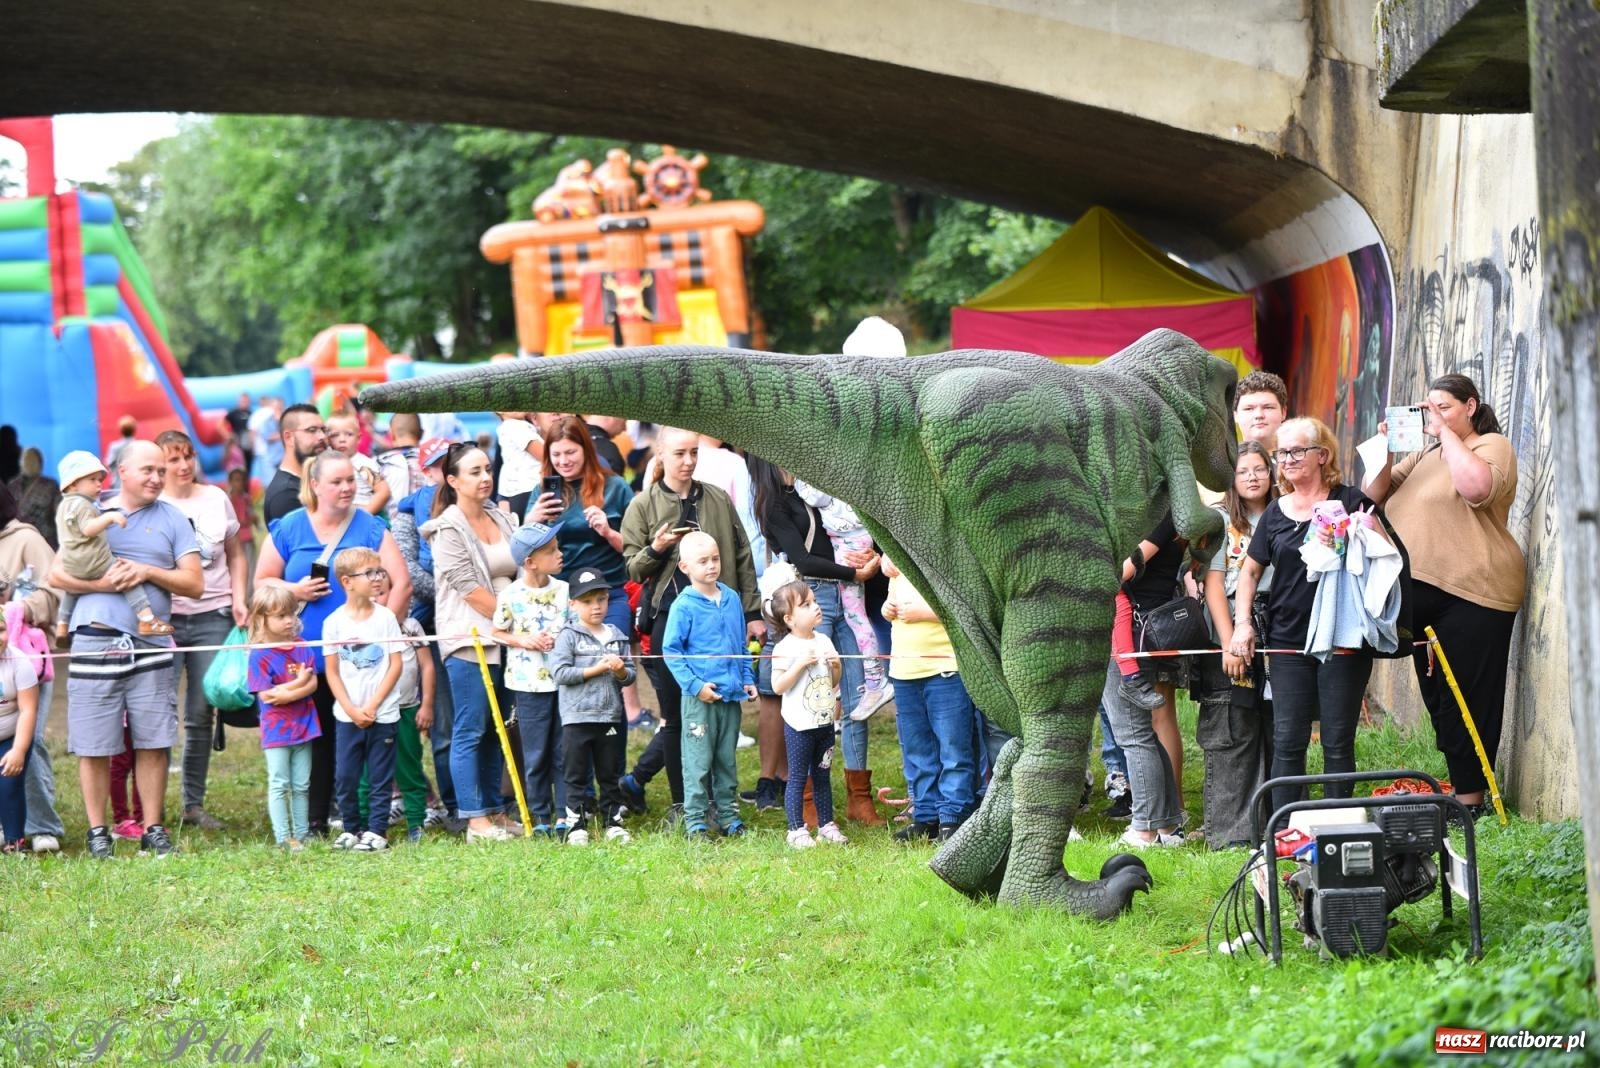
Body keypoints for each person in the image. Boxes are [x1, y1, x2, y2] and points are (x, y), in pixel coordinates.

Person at [1365, 373, 1523, 819]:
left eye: (1444, 407)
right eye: (1427, 409)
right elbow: (1370, 496)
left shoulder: (1490, 446)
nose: (1433, 417)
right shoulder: (1423, 455)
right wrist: (1386, 449)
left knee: (1469, 699)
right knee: (1439, 699)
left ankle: (1473, 802)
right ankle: (1465, 792)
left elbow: (1477, 489)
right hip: (1423, 597)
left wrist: (1448, 434)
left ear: (1470, 407)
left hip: (1475, 591)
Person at [51, 440, 202, 859]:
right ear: (121, 471)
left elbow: (194, 584)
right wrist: (101, 586)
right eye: (147, 470)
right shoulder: (88, 509)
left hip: (152, 642)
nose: (156, 477)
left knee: (153, 739)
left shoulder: (174, 519)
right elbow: (56, 573)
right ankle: (98, 831)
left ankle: (154, 828)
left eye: (161, 470)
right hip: (95, 639)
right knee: (94, 741)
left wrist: (148, 570)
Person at [1230, 417, 1382, 816]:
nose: (1288, 460)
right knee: (1288, 740)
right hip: (1286, 641)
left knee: (1336, 740)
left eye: (1298, 451)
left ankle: (1338, 833)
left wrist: (1359, 530)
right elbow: (1249, 572)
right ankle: (1285, 833)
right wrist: (1242, 623)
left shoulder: (1350, 500)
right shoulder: (1276, 514)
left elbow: (1384, 556)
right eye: (1282, 453)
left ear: (1322, 455)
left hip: (1343, 640)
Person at [254, 449, 410, 838]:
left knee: (362, 738)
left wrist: (382, 629)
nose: (346, 488)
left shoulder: (371, 526)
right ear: (315, 485)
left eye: (350, 480)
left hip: (363, 663)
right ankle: (314, 819)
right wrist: (295, 588)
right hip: (304, 659)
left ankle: (359, 819)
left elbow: (401, 582)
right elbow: (262, 582)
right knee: (316, 740)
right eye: (337, 481)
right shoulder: (289, 527)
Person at [617, 427, 761, 823]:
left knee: (722, 713)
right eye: (680, 453)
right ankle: (686, 805)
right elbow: (632, 566)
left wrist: (752, 613)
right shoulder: (643, 504)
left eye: (694, 452)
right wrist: (657, 548)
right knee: (679, 717)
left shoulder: (715, 497)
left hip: (719, 617)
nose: (689, 460)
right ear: (660, 454)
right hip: (669, 621)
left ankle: (719, 802)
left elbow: (743, 555)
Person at [747, 455, 884, 825]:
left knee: (857, 696)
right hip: (812, 597)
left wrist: (861, 560)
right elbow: (804, 561)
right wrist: (856, 572)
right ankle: (806, 799)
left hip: (846, 594)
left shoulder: (810, 488)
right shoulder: (772, 503)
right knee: (810, 696)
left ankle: (859, 797)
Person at [419, 442, 520, 843]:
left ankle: (495, 810)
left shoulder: (500, 515)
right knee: (471, 726)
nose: (485, 478)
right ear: (452, 480)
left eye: (487, 470)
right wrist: (517, 624)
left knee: (500, 727)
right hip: (470, 638)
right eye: (474, 472)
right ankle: (474, 819)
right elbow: (470, 591)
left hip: (509, 637)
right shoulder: (447, 528)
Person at [157, 430, 249, 831]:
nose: (184, 465)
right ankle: (149, 810)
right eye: (174, 459)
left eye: (188, 456)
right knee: (156, 714)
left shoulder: (215, 498)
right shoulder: (152, 503)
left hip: (214, 613)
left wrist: (240, 597)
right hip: (162, 620)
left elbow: (236, 553)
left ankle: (192, 805)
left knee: (201, 711)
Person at [526, 417, 642, 725]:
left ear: (586, 450)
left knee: (609, 671)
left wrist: (608, 531)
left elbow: (635, 550)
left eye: (571, 453)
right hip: (558, 597)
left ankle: (611, 748)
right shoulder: (542, 493)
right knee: (563, 675)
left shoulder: (615, 487)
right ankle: (570, 758)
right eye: (556, 454)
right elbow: (523, 555)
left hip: (607, 593)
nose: (563, 461)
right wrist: (532, 521)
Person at [1197, 441, 1277, 848]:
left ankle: (1271, 827)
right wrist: (1229, 643)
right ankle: (1230, 834)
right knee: (1232, 728)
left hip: (1277, 627)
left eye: (1259, 469)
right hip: (1229, 624)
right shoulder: (1219, 519)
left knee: (1274, 728)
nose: (1251, 476)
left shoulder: (1285, 511)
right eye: (1243, 470)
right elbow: (1212, 585)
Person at [663, 532, 757, 839]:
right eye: (703, 561)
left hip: (730, 697)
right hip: (700, 700)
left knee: (725, 760)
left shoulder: (730, 598)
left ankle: (728, 816)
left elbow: (740, 646)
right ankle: (695, 821)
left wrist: (746, 678)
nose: (711, 566)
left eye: (715, 559)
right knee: (698, 762)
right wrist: (695, 685)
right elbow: (672, 652)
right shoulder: (683, 606)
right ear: (685, 567)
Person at [882, 554, 981, 842]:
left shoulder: (941, 554)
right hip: (904, 670)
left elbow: (963, 605)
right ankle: (925, 815)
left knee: (953, 747)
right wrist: (887, 608)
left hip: (945, 668)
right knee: (918, 749)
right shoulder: (893, 560)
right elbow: (892, 605)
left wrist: (923, 613)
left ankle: (954, 815)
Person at [391, 436, 457, 828]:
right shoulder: (406, 514)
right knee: (440, 724)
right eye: (435, 466)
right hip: (429, 624)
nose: (441, 474)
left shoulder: (479, 505)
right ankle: (448, 803)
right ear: (424, 470)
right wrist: (459, 590)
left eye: (449, 464)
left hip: (476, 623)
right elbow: (409, 572)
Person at [322, 546, 404, 852]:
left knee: (380, 777)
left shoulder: (385, 619)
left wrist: (372, 705)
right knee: (346, 775)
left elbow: (396, 664)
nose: (378, 578)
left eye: (379, 571)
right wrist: (351, 708)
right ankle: (351, 828)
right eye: (369, 573)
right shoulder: (333, 623)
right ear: (347, 582)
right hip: (347, 716)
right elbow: (332, 671)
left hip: (382, 715)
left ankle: (377, 831)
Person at [0, 483, 66, 853]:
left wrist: (21, 609)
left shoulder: (26, 539)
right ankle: (7, 825)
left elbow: (55, 590)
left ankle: (43, 826)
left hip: (24, 659)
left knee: (29, 741)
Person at [491, 521, 568, 836]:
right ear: (530, 562)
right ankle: (540, 815)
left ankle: (566, 812)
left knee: (563, 749)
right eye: (551, 551)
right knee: (535, 751)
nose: (560, 554)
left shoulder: (564, 590)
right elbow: (497, 631)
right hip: (528, 684)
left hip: (565, 682)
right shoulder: (511, 595)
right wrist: (524, 640)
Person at [793, 478, 893, 720]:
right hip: (856, 535)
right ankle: (872, 680)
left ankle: (875, 680)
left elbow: (815, 497)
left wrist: (799, 479)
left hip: (848, 540)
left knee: (855, 616)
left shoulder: (821, 472)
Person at [550, 568, 635, 845]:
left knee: (609, 771)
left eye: (601, 599)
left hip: (609, 716)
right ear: (572, 604)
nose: (596, 606)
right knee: (575, 773)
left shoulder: (617, 635)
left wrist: (621, 671)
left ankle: (613, 820)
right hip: (576, 717)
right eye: (587, 601)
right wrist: (595, 669)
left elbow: (630, 675)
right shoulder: (569, 636)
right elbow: (560, 673)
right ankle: (576, 824)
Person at [52, 450, 174, 642]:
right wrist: (109, 517)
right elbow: (87, 529)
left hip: (72, 562)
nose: (99, 484)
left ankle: (62, 624)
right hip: (94, 560)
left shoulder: (63, 506)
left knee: (72, 590)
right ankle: (146, 618)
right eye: (92, 479)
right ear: (74, 484)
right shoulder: (83, 505)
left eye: (100, 479)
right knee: (126, 574)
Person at [767, 579, 848, 849]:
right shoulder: (784, 649)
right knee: (799, 776)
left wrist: (836, 666)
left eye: (814, 601)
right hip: (799, 725)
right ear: (789, 619)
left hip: (825, 723)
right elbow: (778, 686)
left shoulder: (824, 640)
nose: (816, 607)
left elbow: (834, 680)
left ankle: (826, 824)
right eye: (806, 605)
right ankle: (796, 829)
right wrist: (799, 665)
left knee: (823, 775)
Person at [245, 584, 321, 852]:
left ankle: (301, 834)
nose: (290, 620)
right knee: (280, 783)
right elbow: (266, 696)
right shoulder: (259, 654)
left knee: (301, 784)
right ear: (261, 618)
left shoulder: (301, 646)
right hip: (277, 731)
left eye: (292, 613)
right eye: (281, 616)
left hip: (305, 726)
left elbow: (312, 684)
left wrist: (289, 690)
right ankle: (283, 837)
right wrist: (297, 685)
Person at [372, 567, 436, 843]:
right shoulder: (357, 629)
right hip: (371, 714)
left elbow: (427, 667)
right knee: (370, 772)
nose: (379, 600)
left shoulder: (410, 626)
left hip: (407, 709)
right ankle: (369, 825)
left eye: (385, 593)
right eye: (374, 594)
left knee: (409, 768)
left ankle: (416, 824)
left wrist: (427, 705)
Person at [0, 607, 41, 851]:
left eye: (2, 629)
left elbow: (28, 710)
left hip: (11, 736)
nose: (0, 637)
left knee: (8, 782)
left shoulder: (19, 662)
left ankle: (15, 841)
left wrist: (18, 750)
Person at [263, 403, 328, 525]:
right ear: (289, 437)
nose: (322, 436)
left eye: (323, 430)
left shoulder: (310, 482)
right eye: (312, 430)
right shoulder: (285, 496)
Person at [327, 411, 391, 518]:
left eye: (349, 434)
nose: (342, 439)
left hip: (362, 517)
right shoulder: (326, 464)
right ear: (327, 439)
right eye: (335, 435)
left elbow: (383, 492)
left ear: (359, 438)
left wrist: (364, 516)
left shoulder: (363, 464)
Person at [8, 447, 61, 549]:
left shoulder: (50, 485)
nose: (29, 463)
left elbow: (59, 511)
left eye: (32, 460)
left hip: (41, 539)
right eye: (27, 460)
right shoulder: (13, 485)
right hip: (21, 539)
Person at [376, 412, 425, 522]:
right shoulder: (433, 462)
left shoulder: (377, 463)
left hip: (390, 532)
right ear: (421, 434)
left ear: (391, 434)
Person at [494, 412, 542, 522]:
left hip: (516, 496)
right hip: (529, 492)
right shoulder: (515, 426)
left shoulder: (507, 428)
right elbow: (547, 456)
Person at [227, 468, 257, 576]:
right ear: (230, 482)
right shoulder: (228, 500)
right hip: (236, 538)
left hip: (247, 537)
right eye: (237, 480)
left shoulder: (246, 499)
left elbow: (251, 516)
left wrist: (253, 520)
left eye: (242, 480)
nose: (240, 483)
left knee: (250, 565)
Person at [102, 415, 138, 491]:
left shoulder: (115, 447)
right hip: (135, 483)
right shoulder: (138, 445)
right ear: (134, 429)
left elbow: (109, 463)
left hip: (118, 483)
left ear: (120, 430)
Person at [225, 393, 255, 476]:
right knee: (236, 470)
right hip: (237, 446)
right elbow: (220, 425)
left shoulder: (251, 413)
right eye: (243, 401)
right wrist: (228, 435)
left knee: (247, 469)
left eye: (246, 401)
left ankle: (246, 487)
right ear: (239, 401)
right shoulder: (233, 413)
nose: (244, 403)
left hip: (247, 446)